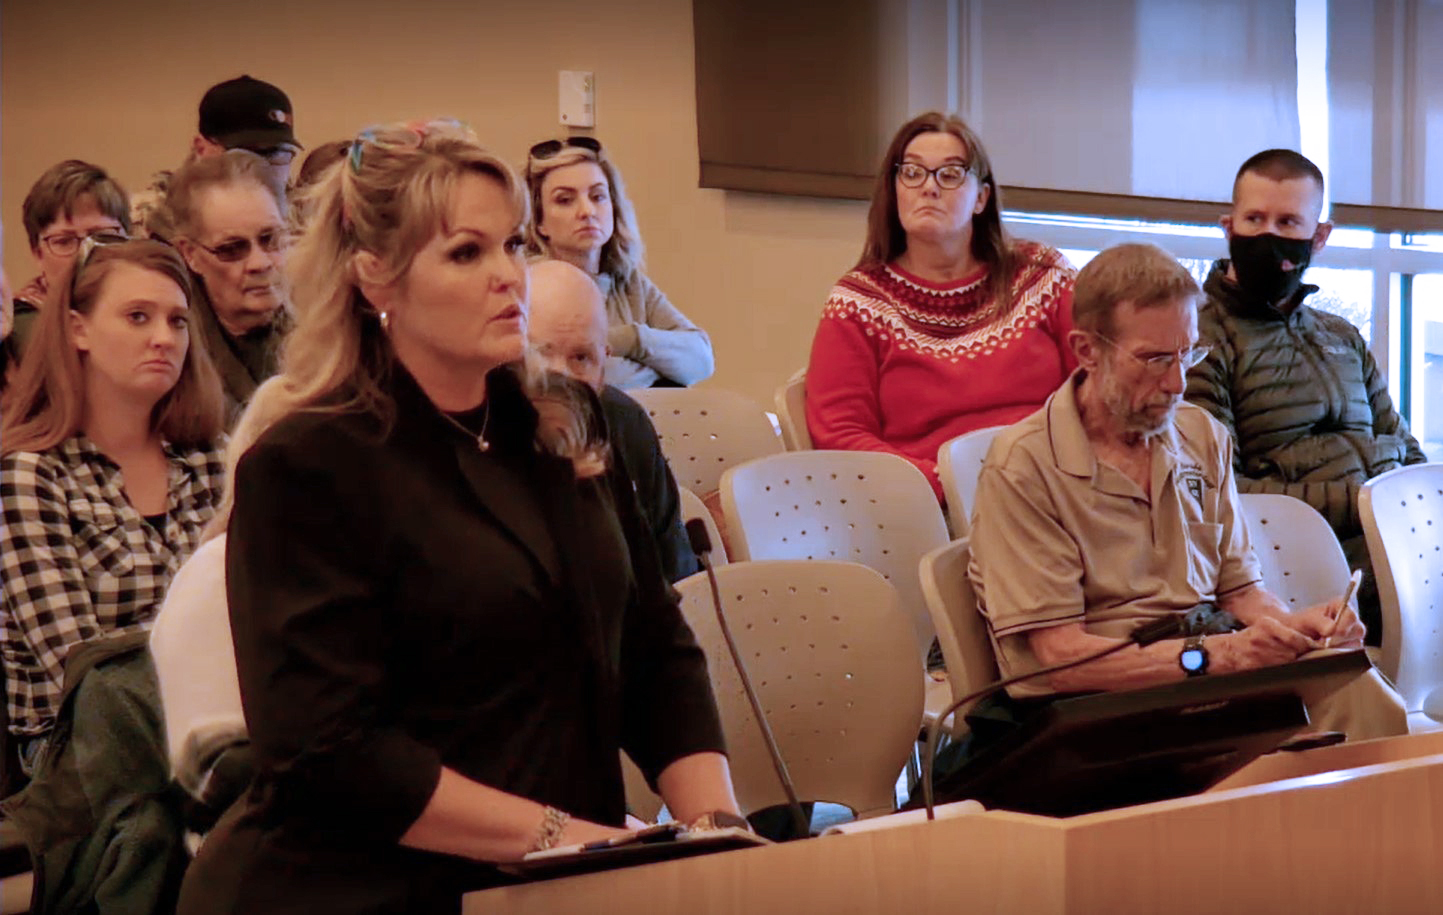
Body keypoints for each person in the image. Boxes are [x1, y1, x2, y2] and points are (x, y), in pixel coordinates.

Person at [178, 120, 738, 914]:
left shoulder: (566, 424)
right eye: (466, 253)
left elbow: (654, 648)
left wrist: (716, 831)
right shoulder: (307, 465)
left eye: (510, 244)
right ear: (375, 279)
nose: (509, 275)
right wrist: (569, 838)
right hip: (360, 885)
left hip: (555, 872)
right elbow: (331, 750)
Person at [968, 242, 1405, 744]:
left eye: (1188, 354)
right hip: (1092, 704)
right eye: (1155, 359)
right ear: (1087, 351)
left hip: (1201, 672)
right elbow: (1061, 660)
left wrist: (1294, 630)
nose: (1178, 383)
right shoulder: (1024, 465)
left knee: (1359, 689)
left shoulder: (1201, 436)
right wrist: (1220, 656)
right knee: (1322, 723)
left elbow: (1240, 592)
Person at [0, 238, 226, 910]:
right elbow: (85, 670)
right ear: (77, 329)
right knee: (154, 825)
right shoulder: (29, 474)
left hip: (210, 724)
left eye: (178, 320)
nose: (164, 337)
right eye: (137, 317)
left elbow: (253, 611)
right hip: (79, 748)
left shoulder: (211, 457)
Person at [1185, 149, 1427, 646]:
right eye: (1255, 219)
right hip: (1304, 559)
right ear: (1229, 227)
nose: (1268, 234)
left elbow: (1403, 445)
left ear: (1319, 236)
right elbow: (1218, 491)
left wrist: (1419, 503)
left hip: (1397, 537)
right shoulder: (1200, 341)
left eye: (1288, 222)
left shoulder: (1340, 335)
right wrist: (1362, 503)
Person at [805, 111, 1077, 502]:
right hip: (933, 504)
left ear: (981, 197)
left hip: (1052, 488)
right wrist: (946, 484)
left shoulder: (1044, 274)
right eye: (912, 173)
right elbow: (840, 434)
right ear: (894, 190)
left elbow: (1098, 384)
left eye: (950, 174)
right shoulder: (857, 303)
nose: (929, 188)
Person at [529, 258, 699, 582]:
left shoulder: (625, 425)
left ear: (604, 361)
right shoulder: (480, 436)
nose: (562, 376)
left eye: (581, 358)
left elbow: (675, 573)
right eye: (540, 354)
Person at [524, 137, 714, 389]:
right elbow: (588, 383)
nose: (587, 211)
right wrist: (658, 375)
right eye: (565, 200)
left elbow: (701, 359)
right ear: (539, 221)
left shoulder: (629, 284)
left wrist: (631, 339)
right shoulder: (531, 286)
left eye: (598, 196)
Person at [167, 148, 292, 421]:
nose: (259, 263)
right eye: (232, 249)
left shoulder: (327, 324)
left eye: (271, 239)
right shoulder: (173, 351)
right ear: (190, 254)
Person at [132, 74, 301, 240]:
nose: (259, 167)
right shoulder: (152, 216)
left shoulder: (303, 214)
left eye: (275, 153)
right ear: (201, 148)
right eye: (243, 153)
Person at [9, 160, 132, 366]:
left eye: (101, 237)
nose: (85, 253)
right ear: (37, 254)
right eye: (64, 241)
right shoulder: (20, 327)